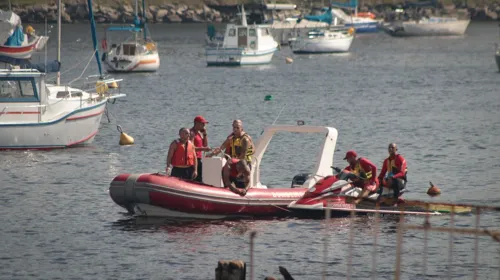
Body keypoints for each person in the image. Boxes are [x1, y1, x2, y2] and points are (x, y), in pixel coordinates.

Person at [190, 115, 210, 182]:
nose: (204, 125)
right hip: (193, 159)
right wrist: (204, 149)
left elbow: (205, 144)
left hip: (198, 158)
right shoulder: (191, 133)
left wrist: (205, 134)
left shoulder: (198, 133)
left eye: (204, 124)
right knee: (195, 179)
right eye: (202, 123)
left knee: (200, 179)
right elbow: (191, 148)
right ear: (196, 123)